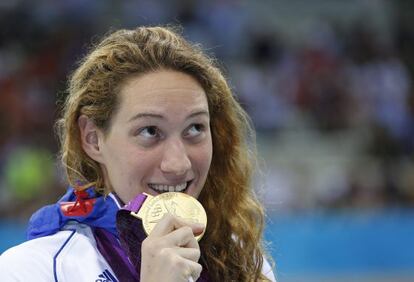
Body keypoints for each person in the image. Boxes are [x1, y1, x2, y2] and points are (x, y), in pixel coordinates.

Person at [0, 26, 276, 281]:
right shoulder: (33, 269)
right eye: (149, 131)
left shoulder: (242, 261)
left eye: (194, 128)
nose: (178, 164)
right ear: (93, 139)